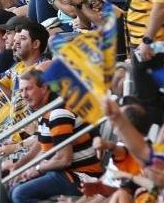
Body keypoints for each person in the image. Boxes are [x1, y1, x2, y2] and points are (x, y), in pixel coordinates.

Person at [6, 70, 103, 203]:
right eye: (21, 90)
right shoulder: (47, 108)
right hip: (61, 172)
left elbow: (64, 159)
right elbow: (40, 143)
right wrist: (18, 167)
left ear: (44, 87)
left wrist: (37, 169)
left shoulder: (58, 112)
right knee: (12, 188)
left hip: (80, 176)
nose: (24, 95)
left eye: (28, 89)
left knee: (20, 194)